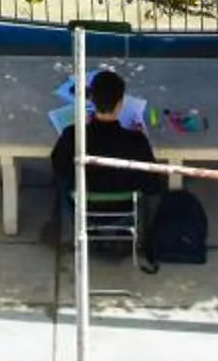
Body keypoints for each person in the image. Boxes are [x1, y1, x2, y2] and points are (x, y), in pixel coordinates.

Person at [43, 70, 163, 245]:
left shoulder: (72, 135)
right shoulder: (136, 141)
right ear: (120, 104)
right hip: (125, 207)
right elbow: (153, 186)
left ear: (91, 100)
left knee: (61, 178)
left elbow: (58, 167)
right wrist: (141, 142)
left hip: (83, 205)